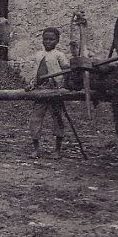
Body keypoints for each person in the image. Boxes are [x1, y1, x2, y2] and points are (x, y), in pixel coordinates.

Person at [25, 27, 72, 158]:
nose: (48, 42)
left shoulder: (59, 55)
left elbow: (66, 70)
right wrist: (31, 84)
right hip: (40, 91)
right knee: (35, 120)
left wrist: (63, 84)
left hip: (54, 91)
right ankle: (36, 149)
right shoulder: (38, 55)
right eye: (45, 39)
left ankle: (57, 150)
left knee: (57, 119)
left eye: (51, 39)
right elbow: (35, 73)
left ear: (57, 41)